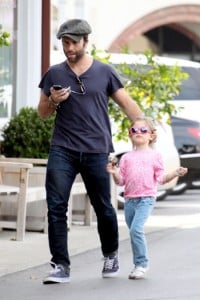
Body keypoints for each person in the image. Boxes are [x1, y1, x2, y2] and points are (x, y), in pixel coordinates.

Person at [37, 18, 142, 284]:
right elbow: (41, 113)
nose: (68, 48)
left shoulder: (104, 72)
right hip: (63, 148)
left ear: (86, 41)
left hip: (96, 149)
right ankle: (60, 265)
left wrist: (143, 130)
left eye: (72, 43)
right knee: (56, 206)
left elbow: (127, 104)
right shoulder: (55, 73)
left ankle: (110, 254)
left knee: (103, 207)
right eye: (64, 43)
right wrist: (52, 100)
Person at [107, 116, 188, 280]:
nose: (138, 132)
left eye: (143, 130)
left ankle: (142, 264)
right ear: (129, 134)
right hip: (130, 200)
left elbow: (160, 179)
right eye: (134, 130)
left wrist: (176, 172)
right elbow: (121, 181)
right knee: (133, 232)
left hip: (146, 199)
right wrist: (114, 173)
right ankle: (137, 264)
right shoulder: (127, 158)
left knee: (136, 229)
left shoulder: (155, 156)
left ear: (151, 135)